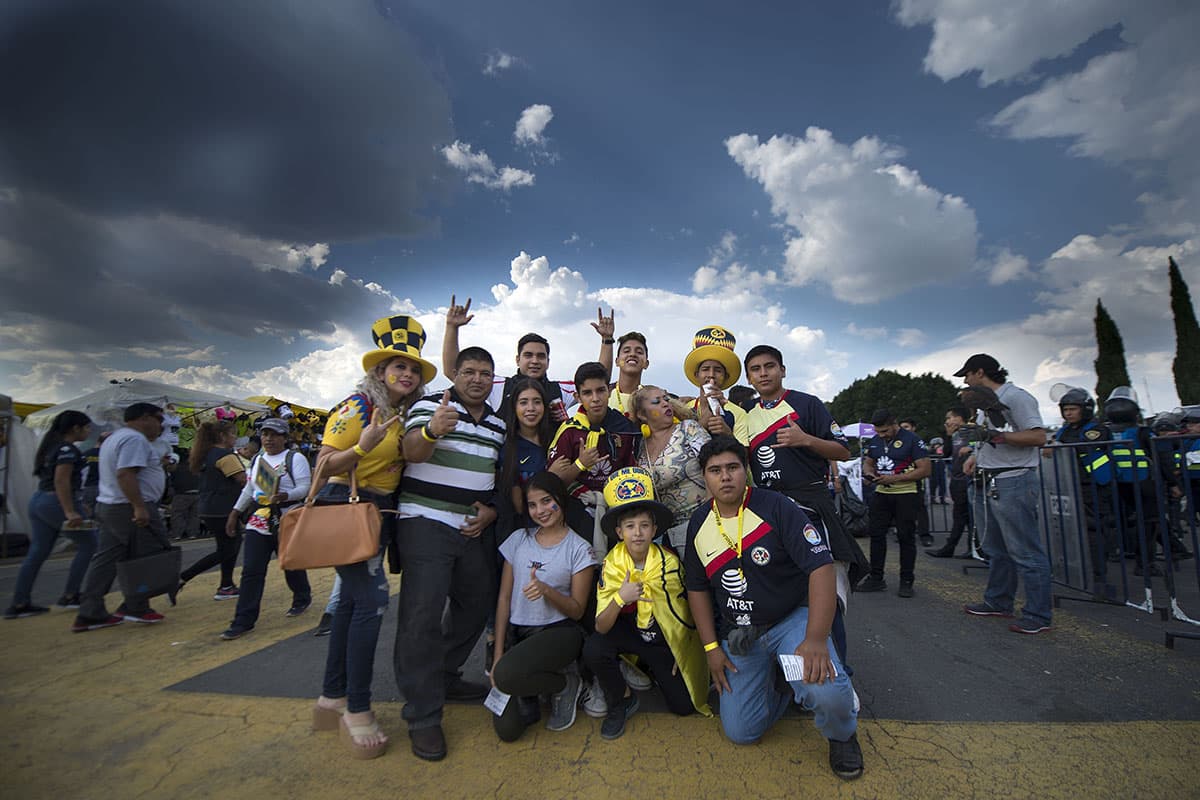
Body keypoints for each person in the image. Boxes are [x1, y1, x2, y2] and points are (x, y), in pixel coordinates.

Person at [684, 436, 863, 780]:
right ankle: (781, 678)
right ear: (704, 477)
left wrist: (814, 639)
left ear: (746, 470)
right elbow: (697, 589)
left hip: (790, 623)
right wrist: (710, 648)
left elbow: (821, 568)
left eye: (733, 468)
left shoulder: (777, 507)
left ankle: (842, 735)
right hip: (741, 635)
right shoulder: (699, 522)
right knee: (741, 732)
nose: (725, 477)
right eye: (715, 470)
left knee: (824, 691)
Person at [311, 315, 434, 760]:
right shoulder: (359, 406)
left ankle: (331, 698)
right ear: (379, 371)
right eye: (397, 366)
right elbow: (324, 465)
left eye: (413, 369)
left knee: (348, 604)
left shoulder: (399, 412)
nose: (406, 373)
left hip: (377, 513)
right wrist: (363, 446)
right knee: (370, 605)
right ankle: (357, 709)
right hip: (352, 509)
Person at [394, 345, 505, 762]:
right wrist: (431, 431)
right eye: (470, 371)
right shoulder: (430, 405)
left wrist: (492, 510)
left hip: (471, 528)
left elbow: (495, 476)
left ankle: (442, 674)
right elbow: (411, 452)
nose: (478, 379)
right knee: (421, 616)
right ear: (455, 374)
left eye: (486, 373)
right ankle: (422, 715)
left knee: (478, 603)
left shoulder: (497, 425)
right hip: (425, 521)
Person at [742, 344, 867, 661]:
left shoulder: (807, 404)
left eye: (769, 366)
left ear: (782, 370)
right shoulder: (747, 416)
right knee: (779, 589)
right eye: (756, 369)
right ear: (748, 376)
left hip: (812, 506)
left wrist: (806, 440)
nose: (763, 373)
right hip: (768, 508)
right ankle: (788, 672)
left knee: (826, 589)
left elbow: (843, 451)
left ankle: (840, 673)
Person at [583, 468, 711, 740]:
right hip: (630, 633)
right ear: (619, 532)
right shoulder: (612, 565)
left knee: (684, 707)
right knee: (595, 647)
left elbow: (685, 613)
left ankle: (650, 668)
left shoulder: (671, 564)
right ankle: (621, 701)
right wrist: (621, 597)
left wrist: (684, 653)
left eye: (644, 525)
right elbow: (601, 625)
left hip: (661, 640)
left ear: (654, 529)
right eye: (629, 526)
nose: (637, 533)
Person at [489, 472, 597, 741]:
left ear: (560, 500)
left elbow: (577, 610)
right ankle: (533, 685)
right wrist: (498, 653)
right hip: (518, 636)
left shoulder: (579, 548)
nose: (540, 511)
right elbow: (503, 600)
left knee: (506, 675)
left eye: (546, 501)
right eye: (532, 504)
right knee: (508, 731)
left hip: (558, 634)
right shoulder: (518, 540)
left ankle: (566, 682)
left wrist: (547, 590)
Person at [955, 354, 1053, 635]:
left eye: (967, 375)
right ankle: (998, 601)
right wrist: (975, 455)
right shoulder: (984, 404)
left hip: (1014, 479)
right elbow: (990, 437)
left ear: (981, 372)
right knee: (997, 550)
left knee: (1025, 550)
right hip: (991, 479)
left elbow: (1037, 437)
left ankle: (1038, 614)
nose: (965, 381)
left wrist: (997, 438)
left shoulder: (1017, 397)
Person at [73, 403, 172, 632]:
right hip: (127, 507)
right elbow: (126, 474)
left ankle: (91, 610)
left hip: (110, 505)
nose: (161, 426)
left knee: (107, 558)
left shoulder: (115, 438)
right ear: (145, 418)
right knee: (150, 554)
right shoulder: (134, 439)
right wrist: (139, 507)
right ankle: (135, 606)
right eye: (159, 420)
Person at [440, 294, 615, 418]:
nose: (534, 361)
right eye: (528, 355)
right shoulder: (498, 386)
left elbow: (599, 379)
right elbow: (453, 373)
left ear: (548, 361)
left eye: (541, 356)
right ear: (517, 359)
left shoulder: (560, 391)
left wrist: (607, 340)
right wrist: (452, 327)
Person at [219, 417, 313, 640]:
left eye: (274, 434)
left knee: (290, 563)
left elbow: (305, 487)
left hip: (287, 519)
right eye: (265, 434)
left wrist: (286, 495)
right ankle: (243, 620)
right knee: (251, 570)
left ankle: (302, 596)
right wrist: (234, 512)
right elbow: (250, 489)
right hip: (260, 519)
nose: (269, 439)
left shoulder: (295, 458)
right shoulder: (258, 459)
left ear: (284, 437)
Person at [6, 410, 97, 618]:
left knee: (38, 551)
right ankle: (71, 594)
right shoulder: (68, 449)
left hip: (40, 501)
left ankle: (20, 602)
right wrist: (70, 511)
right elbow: (61, 481)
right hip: (58, 503)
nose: (89, 431)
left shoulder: (51, 448)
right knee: (90, 542)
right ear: (76, 428)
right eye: (86, 427)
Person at [546, 361, 640, 551]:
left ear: (609, 391)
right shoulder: (569, 432)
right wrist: (580, 464)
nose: (595, 398)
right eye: (588, 393)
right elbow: (553, 484)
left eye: (600, 390)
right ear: (577, 396)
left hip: (617, 508)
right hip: (577, 509)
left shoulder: (626, 429)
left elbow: (632, 472)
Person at [1046, 388, 1120, 595]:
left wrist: (1056, 446)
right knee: (1070, 529)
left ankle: (1098, 576)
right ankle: (1077, 572)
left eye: (1073, 409)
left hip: (1092, 488)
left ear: (1085, 410)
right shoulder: (1065, 430)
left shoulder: (1094, 430)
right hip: (1069, 486)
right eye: (1066, 409)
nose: (1068, 413)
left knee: (1093, 530)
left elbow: (1081, 449)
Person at [857, 409, 930, 598]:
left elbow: (925, 469)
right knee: (876, 536)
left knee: (906, 537)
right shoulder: (876, 440)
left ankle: (907, 580)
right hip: (881, 493)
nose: (882, 435)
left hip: (906, 494)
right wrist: (869, 473)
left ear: (894, 423)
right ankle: (876, 578)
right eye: (878, 432)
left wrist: (896, 479)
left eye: (885, 431)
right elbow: (868, 462)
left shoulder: (912, 439)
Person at [631, 385, 710, 551]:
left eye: (666, 399)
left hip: (706, 520)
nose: (665, 404)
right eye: (656, 402)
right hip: (669, 536)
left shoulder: (688, 428)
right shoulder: (640, 448)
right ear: (641, 415)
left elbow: (713, 465)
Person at [178, 421, 247, 600]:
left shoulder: (206, 454)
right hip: (223, 508)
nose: (235, 438)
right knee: (227, 550)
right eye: (233, 434)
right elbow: (242, 479)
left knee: (227, 546)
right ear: (223, 436)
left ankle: (226, 585)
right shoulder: (226, 456)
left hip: (208, 507)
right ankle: (184, 576)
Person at [681, 325, 750, 444]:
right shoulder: (684, 410)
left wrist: (728, 433)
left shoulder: (739, 413)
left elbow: (744, 457)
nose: (711, 375)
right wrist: (702, 423)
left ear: (726, 377)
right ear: (696, 374)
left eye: (718, 370)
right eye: (706, 369)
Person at [927, 407, 977, 558]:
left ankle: (955, 547)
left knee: (964, 516)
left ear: (960, 418)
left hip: (968, 479)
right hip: (956, 479)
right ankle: (970, 548)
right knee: (963, 516)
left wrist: (970, 449)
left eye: (950, 417)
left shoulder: (971, 431)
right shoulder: (954, 435)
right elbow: (946, 453)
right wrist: (948, 435)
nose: (947, 421)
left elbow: (979, 446)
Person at [609, 331, 649, 417]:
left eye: (639, 352)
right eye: (626, 351)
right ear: (617, 361)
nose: (632, 354)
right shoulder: (605, 393)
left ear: (646, 364)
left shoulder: (653, 397)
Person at [168, 447, 201, 539]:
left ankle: (177, 534)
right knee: (194, 515)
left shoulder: (176, 467)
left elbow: (172, 480)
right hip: (197, 492)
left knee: (178, 514)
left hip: (181, 493)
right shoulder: (196, 466)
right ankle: (193, 533)